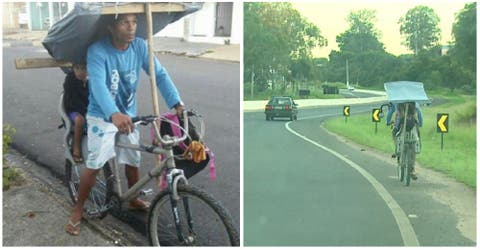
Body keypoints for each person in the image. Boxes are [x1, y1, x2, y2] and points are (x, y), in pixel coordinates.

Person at [66, 13, 185, 236]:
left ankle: (133, 199)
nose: (131, 28)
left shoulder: (139, 46)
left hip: (128, 115)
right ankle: (78, 210)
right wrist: (113, 114)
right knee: (94, 164)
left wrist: (176, 102)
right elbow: (98, 86)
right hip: (102, 116)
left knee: (133, 158)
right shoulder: (97, 50)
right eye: (124, 23)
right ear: (111, 27)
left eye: (135, 22)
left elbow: (158, 74)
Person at [386, 102, 423, 179]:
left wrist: (389, 122)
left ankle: (397, 149)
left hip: (402, 127)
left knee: (394, 133)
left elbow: (397, 117)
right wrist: (419, 124)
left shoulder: (398, 104)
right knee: (414, 147)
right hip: (412, 129)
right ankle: (412, 169)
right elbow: (418, 116)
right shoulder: (414, 104)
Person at [63, 64, 89, 163]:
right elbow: (71, 101)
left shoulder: (91, 81)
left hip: (87, 110)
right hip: (73, 110)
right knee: (80, 120)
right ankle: (76, 148)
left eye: (84, 69)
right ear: (73, 68)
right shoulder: (70, 79)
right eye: (77, 68)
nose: (81, 72)